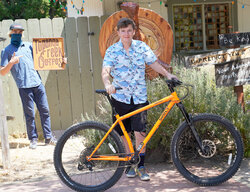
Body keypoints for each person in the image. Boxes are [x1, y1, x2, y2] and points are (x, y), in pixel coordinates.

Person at [102, 18, 178, 181]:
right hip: (120, 97)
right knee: (123, 133)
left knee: (140, 132)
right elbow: (105, 70)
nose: (126, 34)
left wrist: (167, 74)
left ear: (134, 31)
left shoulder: (142, 47)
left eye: (129, 30)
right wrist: (107, 83)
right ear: (118, 33)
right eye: (123, 31)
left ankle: (141, 166)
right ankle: (129, 163)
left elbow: (154, 64)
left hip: (139, 97)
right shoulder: (112, 50)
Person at [0, 23, 66, 149]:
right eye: (15, 32)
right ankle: (33, 139)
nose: (17, 34)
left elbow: (46, 57)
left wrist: (61, 61)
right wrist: (11, 63)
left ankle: (48, 137)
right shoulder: (6, 51)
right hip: (24, 86)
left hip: (37, 83)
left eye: (20, 32)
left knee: (45, 110)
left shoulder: (30, 46)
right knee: (29, 113)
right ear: (10, 34)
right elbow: (2, 71)